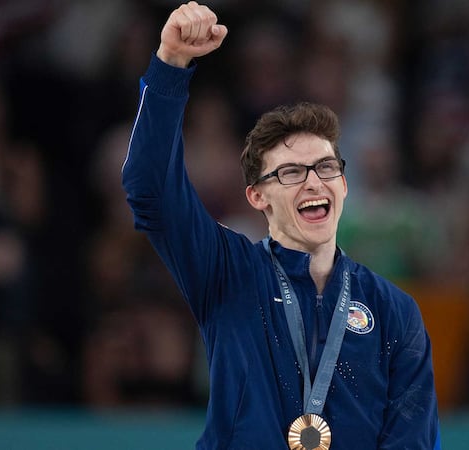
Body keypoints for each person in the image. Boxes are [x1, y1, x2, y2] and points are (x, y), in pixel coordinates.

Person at [121, 2, 441, 449]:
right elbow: (148, 188)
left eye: (325, 167)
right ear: (257, 197)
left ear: (345, 185)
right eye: (290, 172)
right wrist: (170, 63)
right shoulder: (227, 272)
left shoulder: (394, 313)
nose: (314, 181)